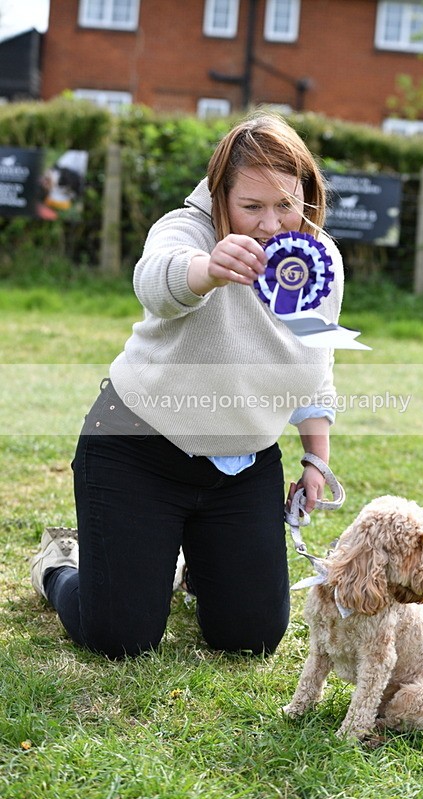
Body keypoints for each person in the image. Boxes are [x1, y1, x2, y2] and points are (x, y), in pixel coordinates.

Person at [30, 112, 345, 660]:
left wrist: (315, 461)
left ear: (307, 194)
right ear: (220, 196)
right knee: (121, 638)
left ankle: (179, 563)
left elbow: (314, 365)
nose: (272, 223)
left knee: (253, 638)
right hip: (136, 450)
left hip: (243, 468)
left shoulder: (319, 258)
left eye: (286, 203)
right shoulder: (186, 229)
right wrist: (208, 268)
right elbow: (157, 280)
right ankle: (60, 566)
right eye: (251, 206)